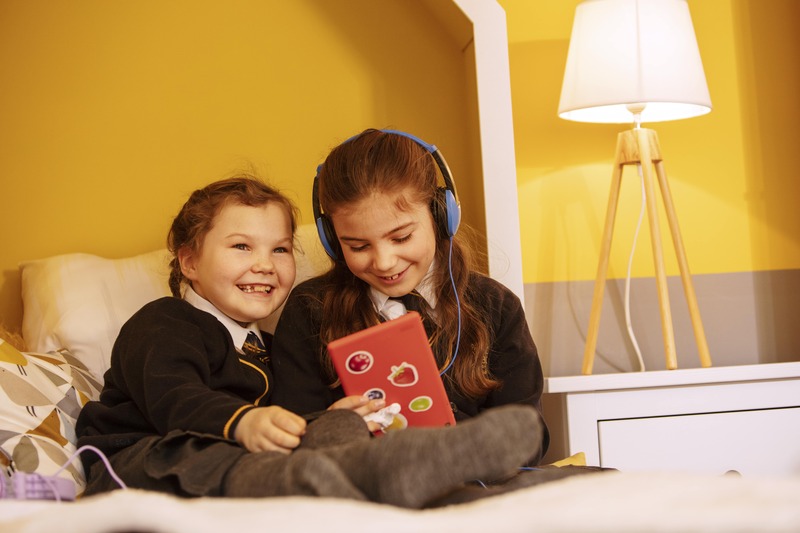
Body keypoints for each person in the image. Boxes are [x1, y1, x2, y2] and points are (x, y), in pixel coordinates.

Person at [75, 175, 545, 508]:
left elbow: (290, 422)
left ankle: (410, 466)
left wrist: (327, 421)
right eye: (242, 247)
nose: (264, 264)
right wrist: (242, 422)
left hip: (242, 453)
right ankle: (333, 477)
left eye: (279, 249)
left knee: (337, 428)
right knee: (223, 460)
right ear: (190, 262)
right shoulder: (163, 322)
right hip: (144, 456)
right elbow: (173, 399)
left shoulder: (260, 343)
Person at [270, 129, 550, 463]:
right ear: (332, 240)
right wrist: (330, 427)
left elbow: (529, 437)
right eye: (357, 246)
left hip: (476, 488)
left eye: (401, 238)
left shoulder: (496, 306)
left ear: (440, 215)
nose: (384, 262)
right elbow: (291, 439)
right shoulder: (310, 309)